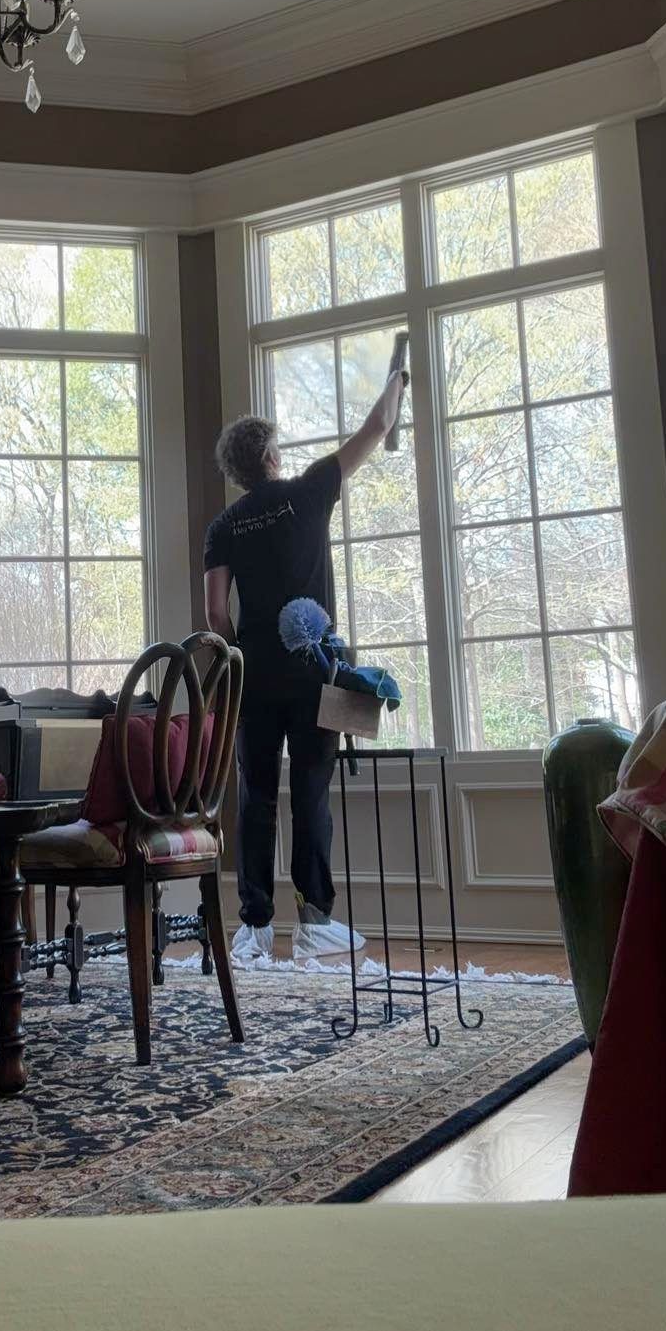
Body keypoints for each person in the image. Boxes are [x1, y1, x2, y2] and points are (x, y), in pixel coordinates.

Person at [204, 370, 408, 962]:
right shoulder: (311, 489)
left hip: (254, 677)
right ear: (270, 454)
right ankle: (316, 922)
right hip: (315, 672)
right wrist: (394, 379)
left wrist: (244, 654)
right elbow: (377, 427)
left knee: (257, 797)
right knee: (311, 792)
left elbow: (216, 615)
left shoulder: (223, 526)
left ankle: (255, 929)